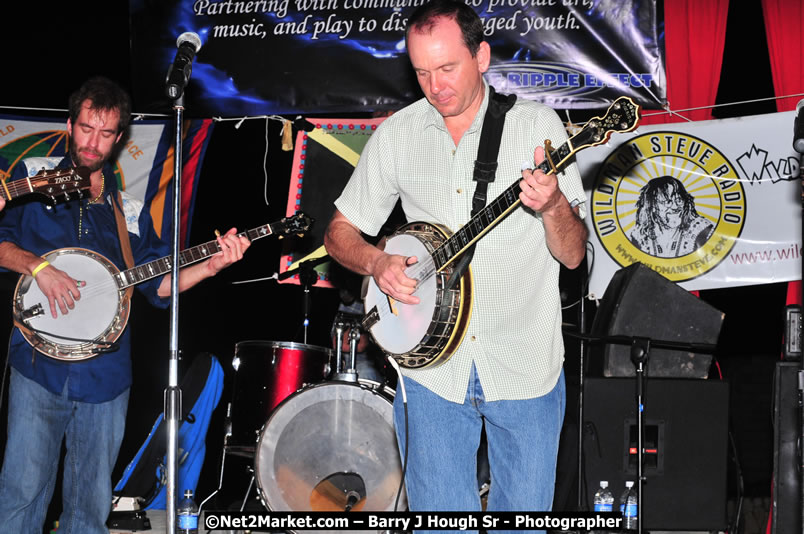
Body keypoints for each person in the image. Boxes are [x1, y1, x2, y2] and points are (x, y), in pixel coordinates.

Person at [323, 0, 588, 529]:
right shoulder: (397, 134)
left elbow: (574, 254)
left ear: (482, 56)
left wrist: (555, 205)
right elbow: (338, 234)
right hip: (432, 373)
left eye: (447, 68)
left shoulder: (537, 127)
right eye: (421, 71)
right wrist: (377, 263)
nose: (435, 85)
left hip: (524, 363)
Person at [0, 76, 250, 534]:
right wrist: (38, 267)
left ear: (120, 137)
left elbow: (157, 285)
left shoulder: (129, 210)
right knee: (20, 493)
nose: (94, 143)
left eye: (107, 133)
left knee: (90, 505)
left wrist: (211, 267)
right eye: (86, 129)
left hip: (107, 375)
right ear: (70, 124)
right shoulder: (31, 181)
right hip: (38, 365)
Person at [629, 176, 714, 257]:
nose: (675, 207)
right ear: (652, 206)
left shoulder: (701, 230)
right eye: (667, 202)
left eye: (679, 200)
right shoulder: (640, 237)